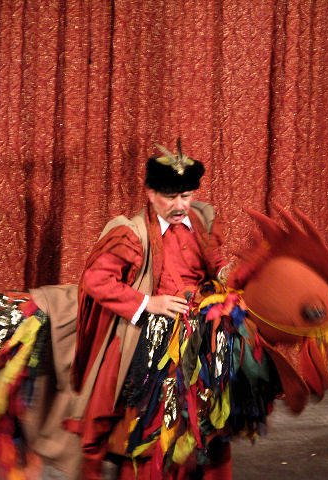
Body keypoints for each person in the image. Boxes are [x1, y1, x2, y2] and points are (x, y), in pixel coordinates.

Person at [71, 141, 231, 480]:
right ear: (150, 193)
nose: (180, 205)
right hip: (152, 334)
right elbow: (96, 280)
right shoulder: (131, 233)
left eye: (186, 195)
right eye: (170, 197)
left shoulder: (200, 220)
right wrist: (148, 303)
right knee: (153, 418)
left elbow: (213, 261)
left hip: (201, 328)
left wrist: (225, 272)